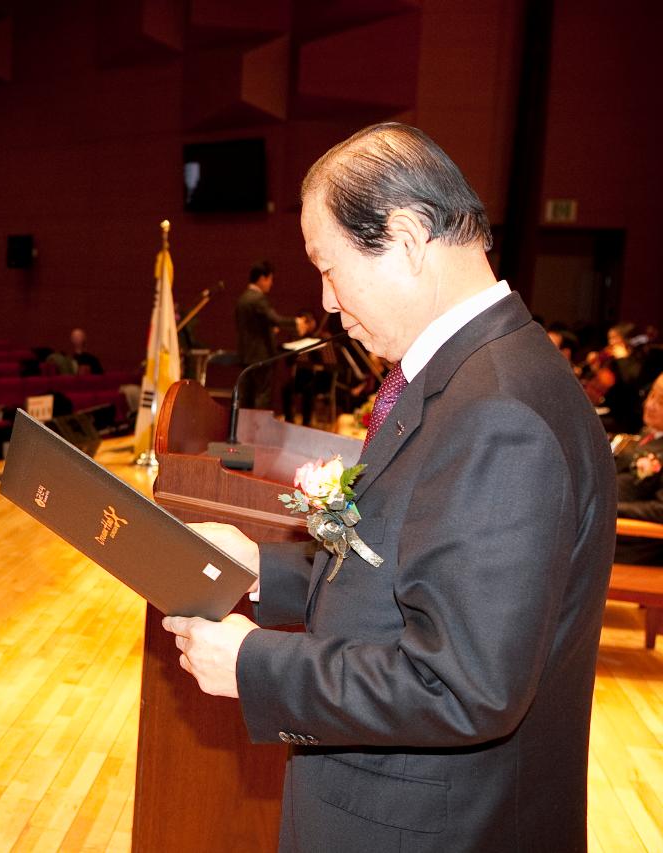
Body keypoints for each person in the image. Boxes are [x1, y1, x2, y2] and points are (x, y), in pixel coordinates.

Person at [163, 123, 616, 851]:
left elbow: (463, 682)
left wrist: (255, 663)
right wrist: (257, 567)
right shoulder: (473, 374)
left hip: (434, 827)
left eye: (329, 267)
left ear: (405, 239)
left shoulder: (500, 410)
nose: (329, 302)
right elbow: (403, 565)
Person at [235, 260, 308, 409]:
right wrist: (296, 322)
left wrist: (268, 328)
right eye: (270, 279)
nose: (271, 284)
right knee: (262, 395)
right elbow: (275, 318)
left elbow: (250, 326)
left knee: (246, 397)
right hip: (261, 356)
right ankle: (259, 431)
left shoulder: (242, 298)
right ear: (262, 278)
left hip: (245, 355)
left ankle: (244, 430)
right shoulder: (258, 298)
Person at [614, 373, 663, 565]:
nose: (650, 405)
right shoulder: (647, 433)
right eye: (651, 395)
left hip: (635, 542)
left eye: (661, 402)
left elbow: (660, 510)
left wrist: (614, 509)